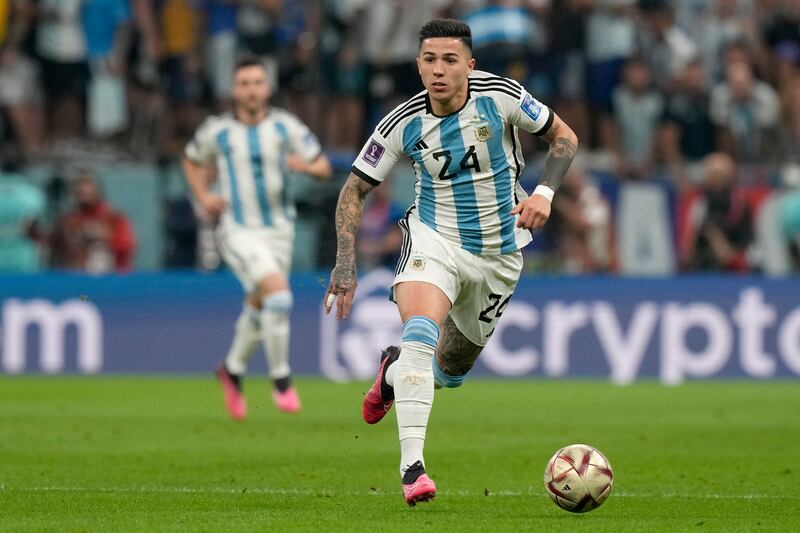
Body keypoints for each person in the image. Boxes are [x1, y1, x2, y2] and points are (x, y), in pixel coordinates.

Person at [324, 19, 578, 505]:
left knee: (450, 368)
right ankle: (412, 469)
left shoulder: (501, 96)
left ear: (469, 64)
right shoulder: (401, 123)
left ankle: (393, 374)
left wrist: (545, 192)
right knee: (420, 333)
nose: (438, 70)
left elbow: (565, 137)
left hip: (501, 254)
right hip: (433, 240)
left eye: (449, 60)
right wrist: (345, 262)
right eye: (429, 60)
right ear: (418, 64)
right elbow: (354, 187)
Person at [183, 56, 332, 420]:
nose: (251, 90)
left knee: (260, 302)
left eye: (257, 83)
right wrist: (203, 196)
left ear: (267, 88)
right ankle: (281, 377)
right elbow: (191, 160)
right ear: (234, 90)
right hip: (237, 229)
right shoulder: (217, 131)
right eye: (244, 83)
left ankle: (232, 369)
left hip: (280, 230)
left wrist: (306, 166)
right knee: (279, 296)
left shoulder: (285, 127)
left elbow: (324, 166)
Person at [50, 173, 136, 273]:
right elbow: (54, 247)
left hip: (108, 276)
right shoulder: (67, 221)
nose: (83, 196)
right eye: (79, 193)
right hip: (75, 276)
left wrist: (104, 237)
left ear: (97, 192)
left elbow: (126, 247)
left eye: (87, 192)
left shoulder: (114, 219)